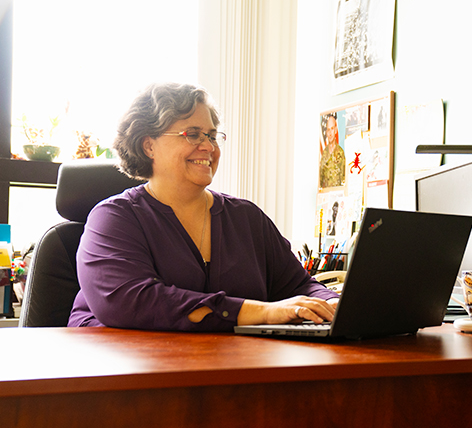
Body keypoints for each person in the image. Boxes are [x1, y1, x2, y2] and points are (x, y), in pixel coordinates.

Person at [68, 83, 338, 331]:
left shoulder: (247, 218)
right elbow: (133, 302)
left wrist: (332, 304)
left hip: (231, 369)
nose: (208, 146)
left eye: (211, 135)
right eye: (193, 134)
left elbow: (299, 285)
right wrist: (262, 313)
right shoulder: (114, 219)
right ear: (149, 145)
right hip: (128, 371)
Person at [319, 114, 345, 188]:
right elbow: (320, 181)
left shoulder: (340, 152)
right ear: (326, 132)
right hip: (326, 196)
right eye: (328, 130)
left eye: (332, 129)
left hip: (338, 195)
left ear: (336, 130)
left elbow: (344, 179)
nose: (330, 133)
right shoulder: (324, 154)